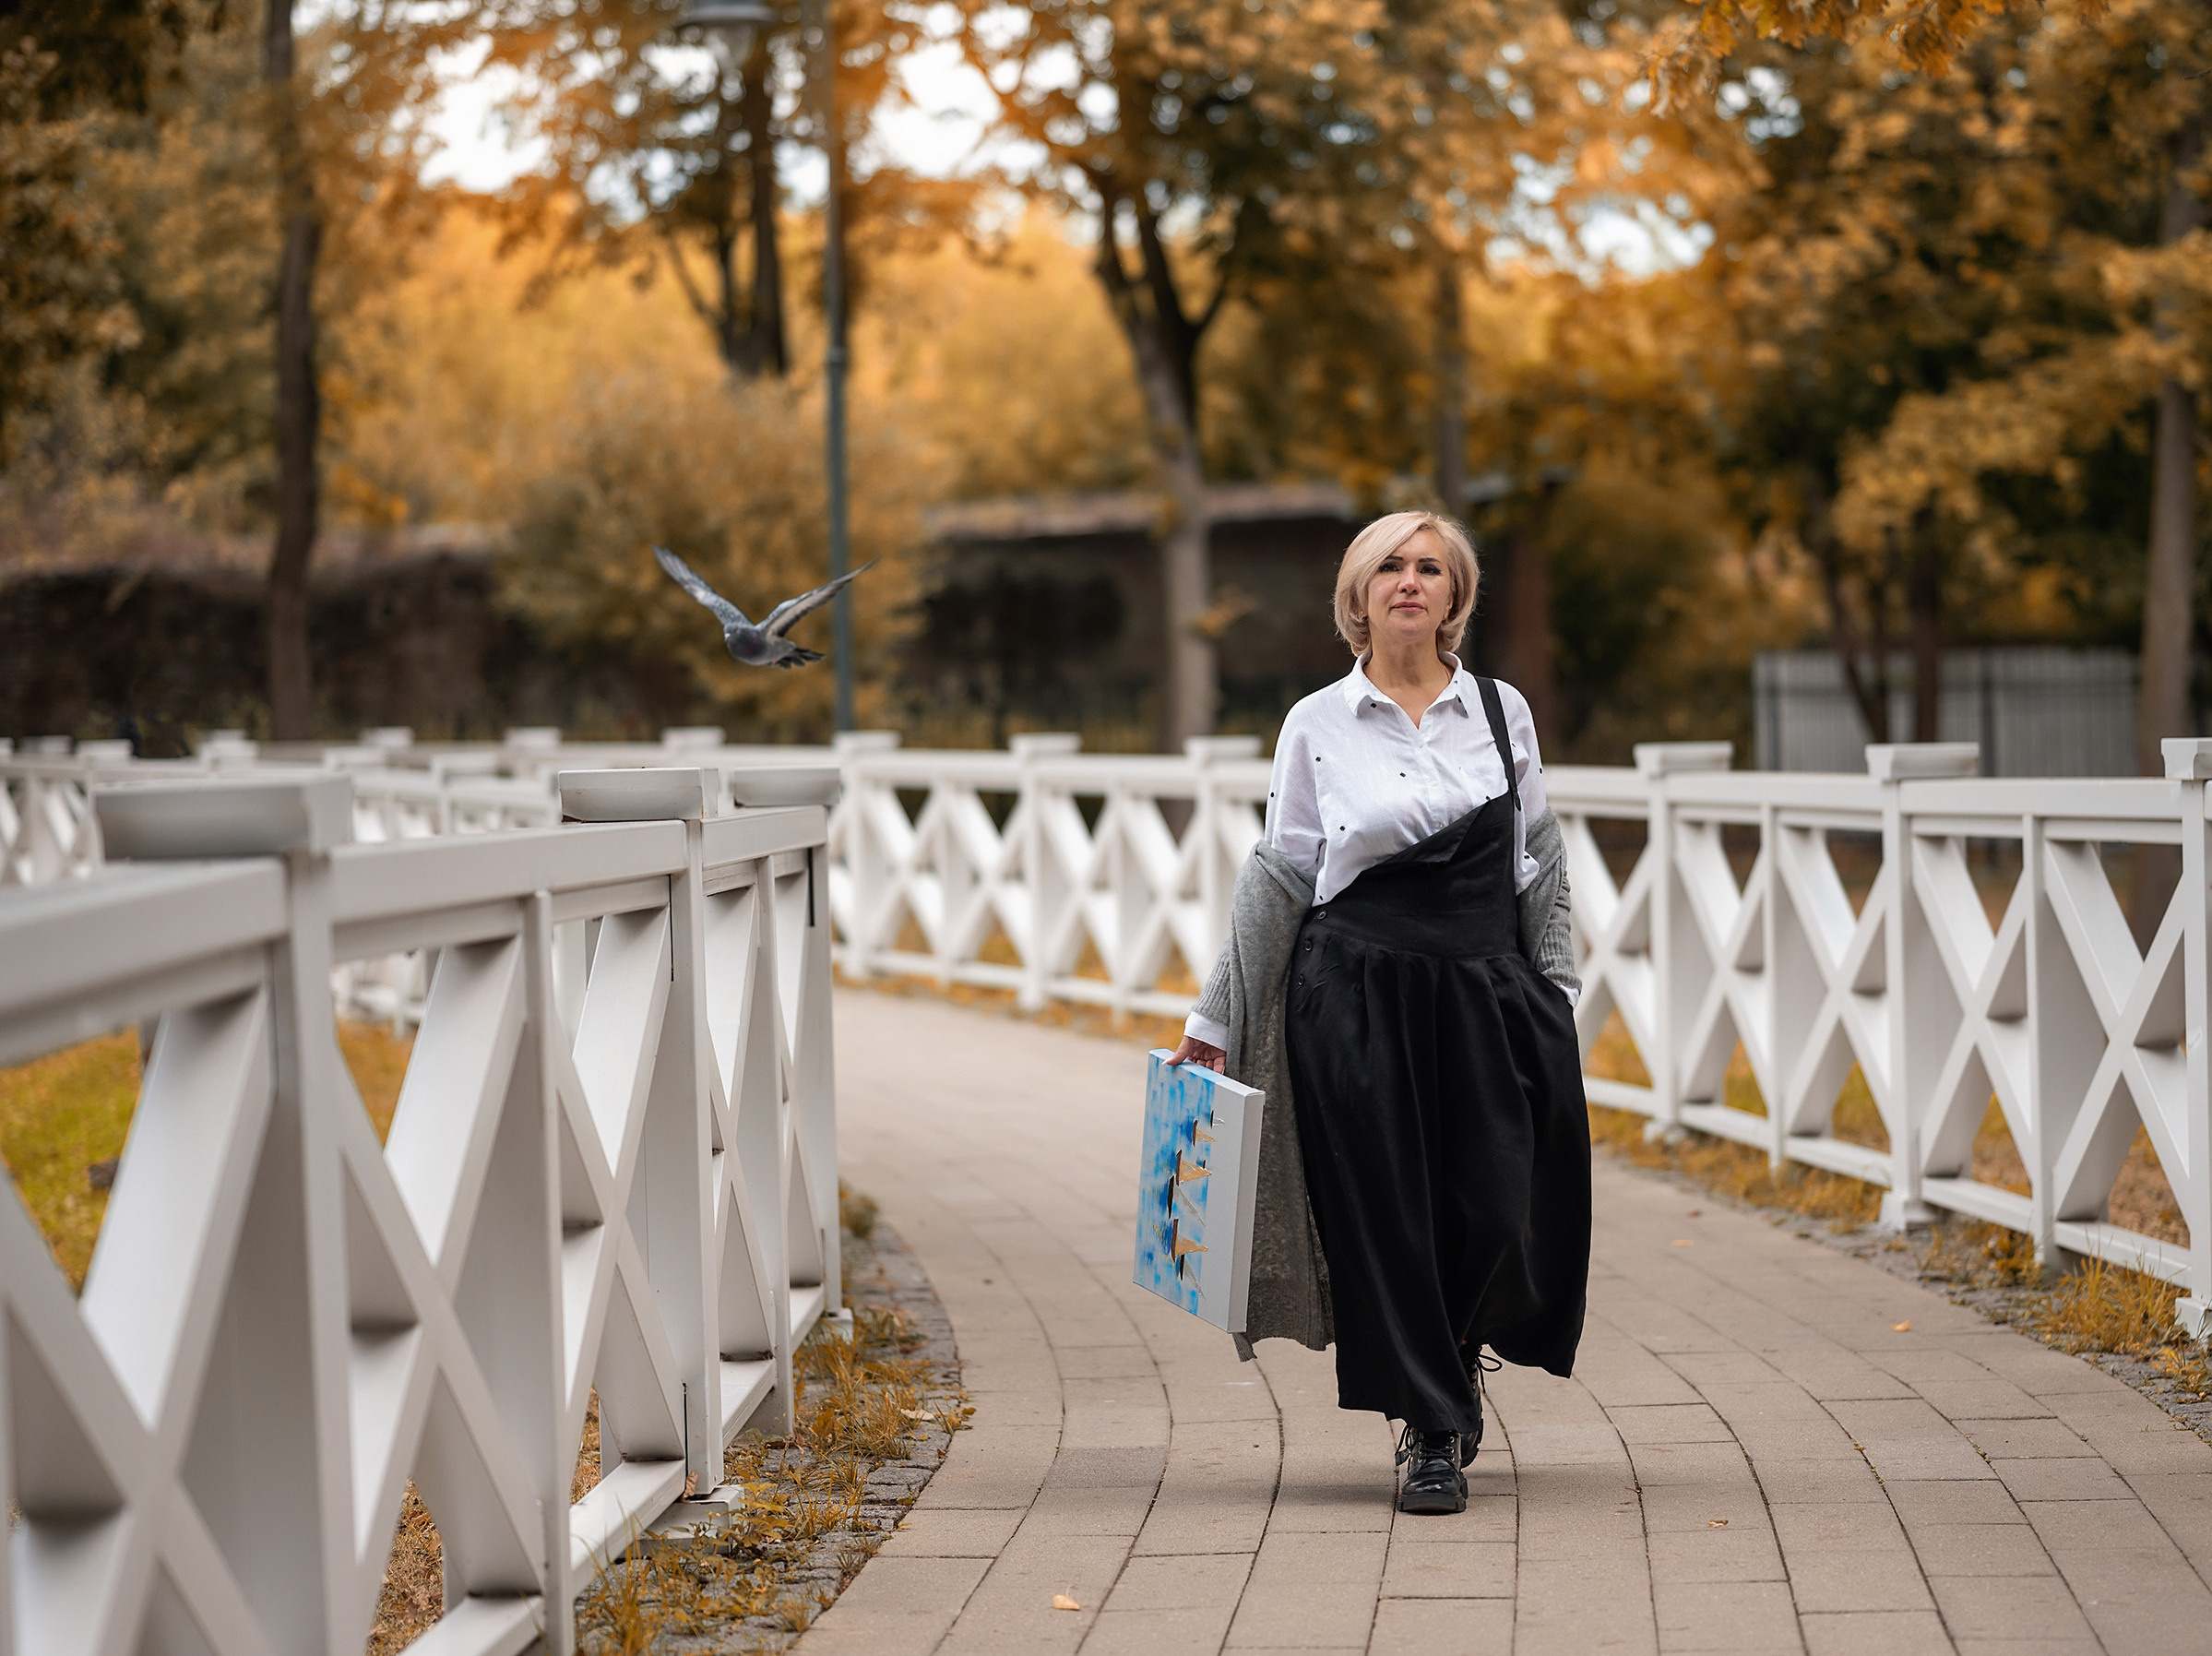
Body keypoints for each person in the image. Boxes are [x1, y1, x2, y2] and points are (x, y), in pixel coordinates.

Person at [1169, 509, 1589, 1517]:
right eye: (1389, 567)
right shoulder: (1316, 720)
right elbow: (1280, 874)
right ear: (1357, 596)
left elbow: (1541, 861)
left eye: (1429, 568)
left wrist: (1557, 987)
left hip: (1482, 987)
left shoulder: (1500, 711)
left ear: (1455, 597)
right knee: (1388, 1212)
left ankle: (1452, 1359)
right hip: (1351, 996)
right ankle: (1429, 1427)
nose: (1410, 581)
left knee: (1492, 1199)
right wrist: (1214, 1016)